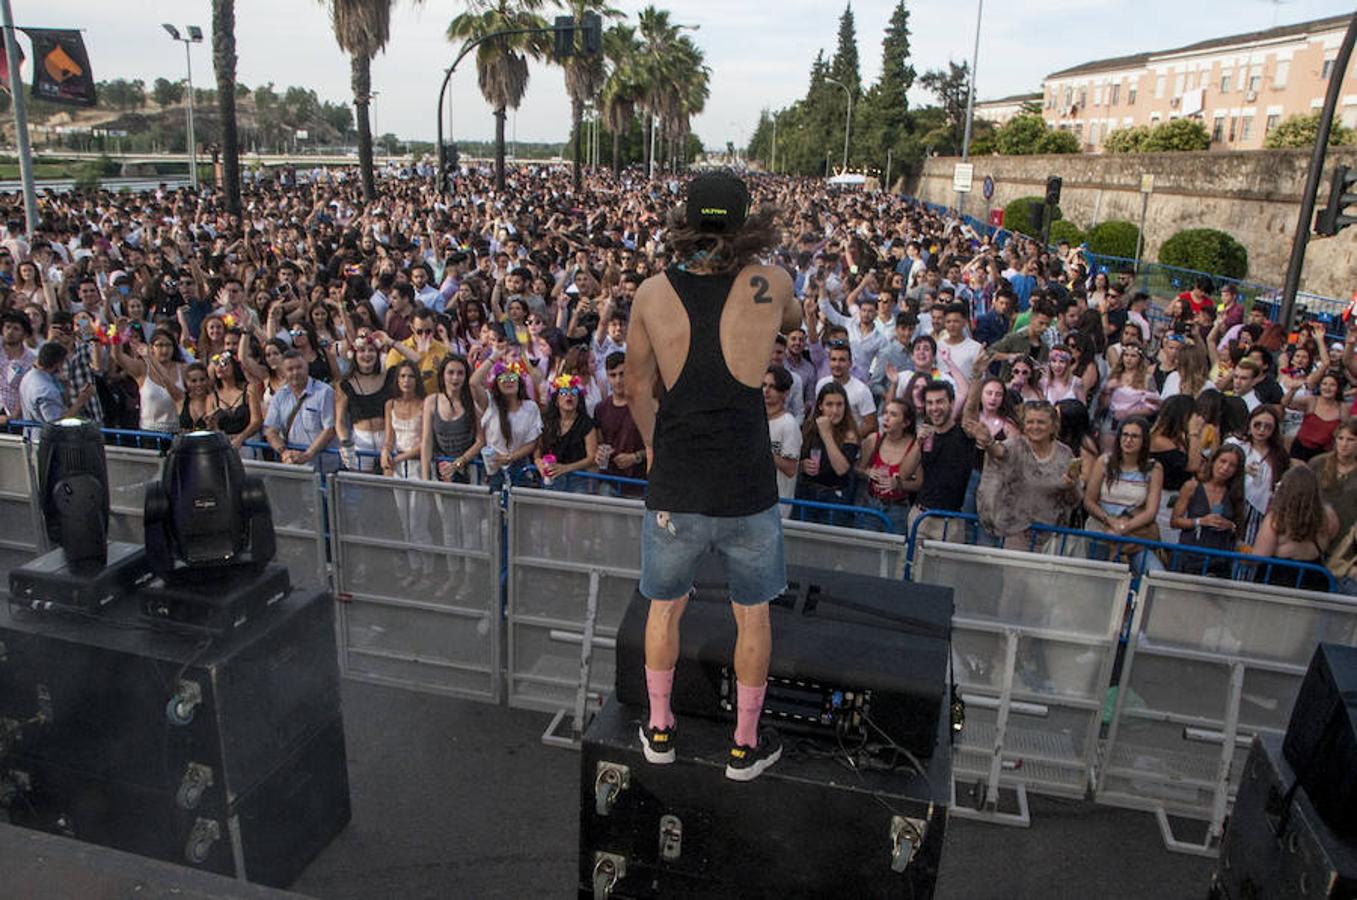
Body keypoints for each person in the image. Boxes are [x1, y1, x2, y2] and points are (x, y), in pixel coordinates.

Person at [624, 172, 801, 781]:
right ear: (746, 220)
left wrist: (652, 447)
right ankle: (744, 745)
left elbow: (636, 388)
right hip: (748, 486)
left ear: (686, 220)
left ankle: (660, 729)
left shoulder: (651, 293)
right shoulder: (771, 282)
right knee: (752, 615)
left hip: (676, 483)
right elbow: (798, 316)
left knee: (664, 610)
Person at [974, 399, 1078, 550]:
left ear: (1053, 425)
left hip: (1052, 535)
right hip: (1017, 532)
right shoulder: (1016, 446)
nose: (1035, 427)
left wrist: (1071, 486)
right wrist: (989, 442)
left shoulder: (1065, 454)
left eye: (1041, 422)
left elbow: (1073, 498)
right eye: (1030, 422)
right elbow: (1000, 452)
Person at [1083, 417, 1165, 572]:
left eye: (1134, 436)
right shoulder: (1104, 462)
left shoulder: (1154, 468)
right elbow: (1089, 501)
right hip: (1101, 532)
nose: (1128, 440)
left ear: (1144, 440)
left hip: (1135, 535)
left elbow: (1151, 511)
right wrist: (1110, 521)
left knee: (1156, 572)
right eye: (1125, 435)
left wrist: (1125, 527)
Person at [900, 380, 975, 544]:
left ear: (951, 403)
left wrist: (976, 375)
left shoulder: (964, 434)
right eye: (930, 403)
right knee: (911, 568)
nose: (934, 408)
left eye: (940, 402)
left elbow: (972, 407)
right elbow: (904, 474)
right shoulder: (925, 435)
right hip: (920, 516)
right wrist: (918, 444)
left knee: (946, 569)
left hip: (951, 521)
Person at [382, 359, 433, 588]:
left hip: (416, 466)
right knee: (404, 522)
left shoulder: (424, 405)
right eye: (402, 376)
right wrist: (385, 453)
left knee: (418, 522)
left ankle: (429, 570)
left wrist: (399, 457)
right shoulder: (390, 404)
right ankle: (415, 568)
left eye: (411, 376)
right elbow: (389, 438)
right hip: (396, 468)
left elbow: (424, 442)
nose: (406, 381)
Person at [1252, 466, 1339, 592]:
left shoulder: (1277, 518)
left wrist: (1241, 552)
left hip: (1278, 580)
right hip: (1315, 579)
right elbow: (1332, 537)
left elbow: (1259, 557)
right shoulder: (1329, 517)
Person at [1170, 444, 1246, 578]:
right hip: (1190, 556)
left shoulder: (1235, 494)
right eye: (1222, 461)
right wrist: (1200, 521)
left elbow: (1240, 530)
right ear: (1214, 461)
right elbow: (1175, 521)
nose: (1225, 468)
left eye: (1232, 465)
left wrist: (1230, 526)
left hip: (1219, 561)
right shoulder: (1191, 487)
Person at [471, 354, 542, 491]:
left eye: (512, 377)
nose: (508, 381)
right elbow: (474, 382)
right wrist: (495, 355)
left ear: (519, 381)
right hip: (493, 468)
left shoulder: (531, 407)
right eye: (503, 378)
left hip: (520, 468)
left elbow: (532, 442)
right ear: (497, 383)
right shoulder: (490, 403)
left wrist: (510, 458)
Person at [794, 382, 861, 526]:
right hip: (807, 492)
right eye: (829, 405)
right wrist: (802, 466)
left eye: (839, 405)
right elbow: (794, 461)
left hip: (834, 497)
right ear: (820, 406)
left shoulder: (850, 433)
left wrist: (827, 434)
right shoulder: (808, 428)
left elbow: (842, 469)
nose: (835, 410)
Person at [263, 350, 337, 470]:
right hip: (293, 465)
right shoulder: (280, 396)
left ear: (307, 366)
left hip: (323, 466)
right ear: (283, 372)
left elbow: (329, 429)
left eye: (299, 367)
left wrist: (307, 454)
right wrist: (284, 452)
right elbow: (270, 429)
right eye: (290, 369)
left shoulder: (325, 392)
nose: (295, 372)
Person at [1228, 404, 1289, 546]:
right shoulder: (1235, 444)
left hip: (1261, 510)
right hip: (1233, 502)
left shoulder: (1278, 455)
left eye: (1268, 427)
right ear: (1250, 423)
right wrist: (1241, 470)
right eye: (1257, 425)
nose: (1262, 430)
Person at [114, 326, 186, 436]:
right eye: (160, 345)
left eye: (168, 345)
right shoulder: (142, 368)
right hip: (149, 432)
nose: (164, 350)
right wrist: (116, 334)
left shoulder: (183, 369)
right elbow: (118, 356)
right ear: (151, 348)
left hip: (177, 431)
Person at [534, 373, 599, 490]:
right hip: (551, 477)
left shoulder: (586, 423)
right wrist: (538, 462)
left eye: (573, 392)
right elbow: (538, 448)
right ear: (556, 400)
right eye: (564, 392)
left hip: (577, 479)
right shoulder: (547, 421)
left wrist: (566, 468)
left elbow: (592, 457)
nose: (569, 396)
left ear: (579, 399)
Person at [594, 351, 646, 493]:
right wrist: (598, 454)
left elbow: (657, 444)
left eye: (622, 374)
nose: (618, 380)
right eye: (613, 375)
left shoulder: (644, 406)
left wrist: (635, 457)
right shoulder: (600, 408)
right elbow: (599, 443)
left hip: (638, 482)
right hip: (608, 480)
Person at [335, 333, 390, 471]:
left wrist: (391, 342)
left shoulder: (387, 377)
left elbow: (415, 359)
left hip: (387, 438)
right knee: (364, 485)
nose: (367, 354)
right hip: (361, 440)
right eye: (362, 350)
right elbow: (340, 420)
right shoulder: (345, 384)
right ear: (354, 355)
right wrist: (345, 442)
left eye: (371, 350)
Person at [20, 341, 92, 434]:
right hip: (46, 443)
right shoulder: (46, 390)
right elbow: (57, 424)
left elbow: (63, 404)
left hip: (31, 436)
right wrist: (81, 401)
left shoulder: (28, 376)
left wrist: (66, 386)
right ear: (58, 364)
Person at [763, 364, 801, 518]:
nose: (766, 390)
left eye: (772, 387)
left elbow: (791, 469)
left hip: (777, 505)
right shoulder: (753, 420)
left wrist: (763, 451)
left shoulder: (789, 424)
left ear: (785, 393)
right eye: (764, 385)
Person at [1309, 420, 1357, 539]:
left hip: (1347, 536)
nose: (1344, 444)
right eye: (1340, 438)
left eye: (1350, 440)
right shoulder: (1318, 463)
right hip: (1315, 531)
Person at [0, 310, 36, 419]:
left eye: (16, 328)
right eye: (7, 327)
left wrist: (14, 415)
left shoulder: (31, 359)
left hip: (14, 417)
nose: (10, 332)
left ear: (25, 334)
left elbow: (26, 391)